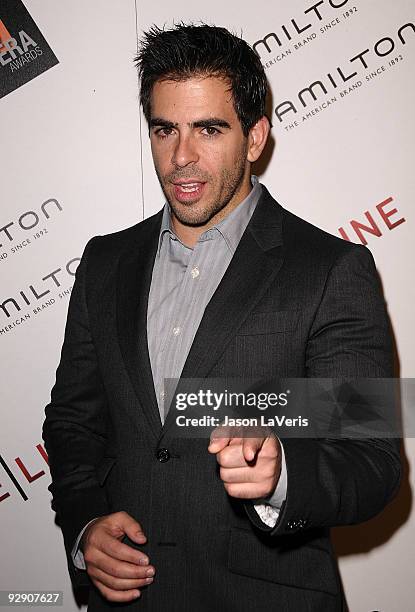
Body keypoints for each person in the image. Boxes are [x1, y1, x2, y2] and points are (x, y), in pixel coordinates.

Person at [43, 23, 401, 612]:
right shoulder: (104, 262)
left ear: (255, 136)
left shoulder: (331, 268)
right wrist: (86, 526)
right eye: (165, 130)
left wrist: (283, 471)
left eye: (209, 129)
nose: (181, 157)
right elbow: (73, 422)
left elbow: (373, 459)